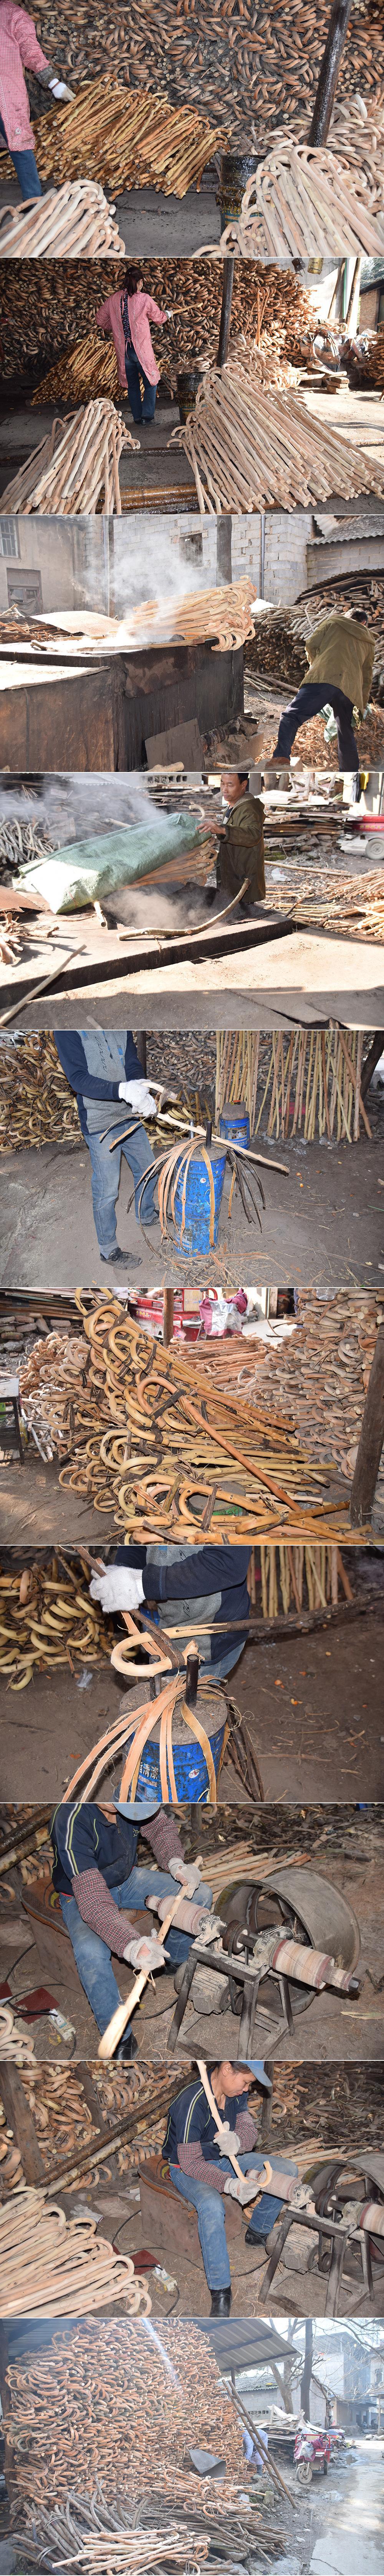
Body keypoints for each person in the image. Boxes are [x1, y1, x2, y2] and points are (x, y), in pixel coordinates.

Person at [50, 1800, 212, 2058]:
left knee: (200, 1895)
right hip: (80, 1893)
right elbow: (93, 1899)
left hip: (127, 1880)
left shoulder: (134, 1796)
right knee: (90, 1953)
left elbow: (159, 1828)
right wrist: (130, 1944)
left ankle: (173, 1962)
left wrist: (176, 1863)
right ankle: (118, 2036)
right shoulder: (71, 1818)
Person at [162, 2061, 298, 2315]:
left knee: (287, 2169)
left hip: (224, 2158)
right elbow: (191, 2163)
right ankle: (221, 2290)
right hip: (186, 2168)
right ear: (227, 2069)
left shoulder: (235, 2094)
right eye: (246, 2082)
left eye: (249, 2085)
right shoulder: (192, 2102)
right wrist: (229, 2184)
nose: (247, 2089)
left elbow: (249, 2133)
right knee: (211, 2205)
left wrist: (238, 2142)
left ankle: (258, 2232)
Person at [53, 1029, 158, 1266]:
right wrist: (122, 1091)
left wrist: (138, 1087)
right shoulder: (66, 1029)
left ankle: (146, 1215)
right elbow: (78, 1078)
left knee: (148, 1168)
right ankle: (108, 1250)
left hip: (128, 1115)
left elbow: (131, 1061)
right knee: (107, 1189)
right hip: (100, 1122)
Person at [89, 1544, 252, 1684]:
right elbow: (138, 1542)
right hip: (170, 1630)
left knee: (189, 1703)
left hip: (213, 1639)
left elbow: (228, 1563)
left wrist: (143, 1585)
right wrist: (122, 1571)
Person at [269, 611, 375, 777]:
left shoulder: (334, 623)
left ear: (348, 617)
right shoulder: (369, 640)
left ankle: (281, 757)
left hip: (324, 678)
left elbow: (311, 645)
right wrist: (362, 703)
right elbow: (367, 675)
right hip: (349, 689)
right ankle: (350, 773)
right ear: (364, 624)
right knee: (345, 730)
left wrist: (317, 666)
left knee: (291, 716)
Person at [0, 3, 73, 197]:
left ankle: (32, 200)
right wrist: (54, 83)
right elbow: (31, 52)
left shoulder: (12, 15)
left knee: (19, 146)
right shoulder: (13, 14)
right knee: (20, 147)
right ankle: (32, 200)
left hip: (6, 93)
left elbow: (30, 52)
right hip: (6, 94)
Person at [96, 266, 172, 428]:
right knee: (151, 382)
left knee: (133, 386)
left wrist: (114, 327)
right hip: (141, 350)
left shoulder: (113, 299)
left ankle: (138, 418)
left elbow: (100, 320)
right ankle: (147, 417)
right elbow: (159, 319)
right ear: (141, 282)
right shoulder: (144, 299)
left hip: (124, 352)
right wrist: (168, 314)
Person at [217, 772, 266, 908]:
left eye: (230, 785)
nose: (225, 790)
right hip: (232, 878)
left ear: (244, 785)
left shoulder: (250, 809)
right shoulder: (231, 807)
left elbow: (253, 835)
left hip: (244, 881)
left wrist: (222, 830)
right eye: (222, 784)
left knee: (243, 914)